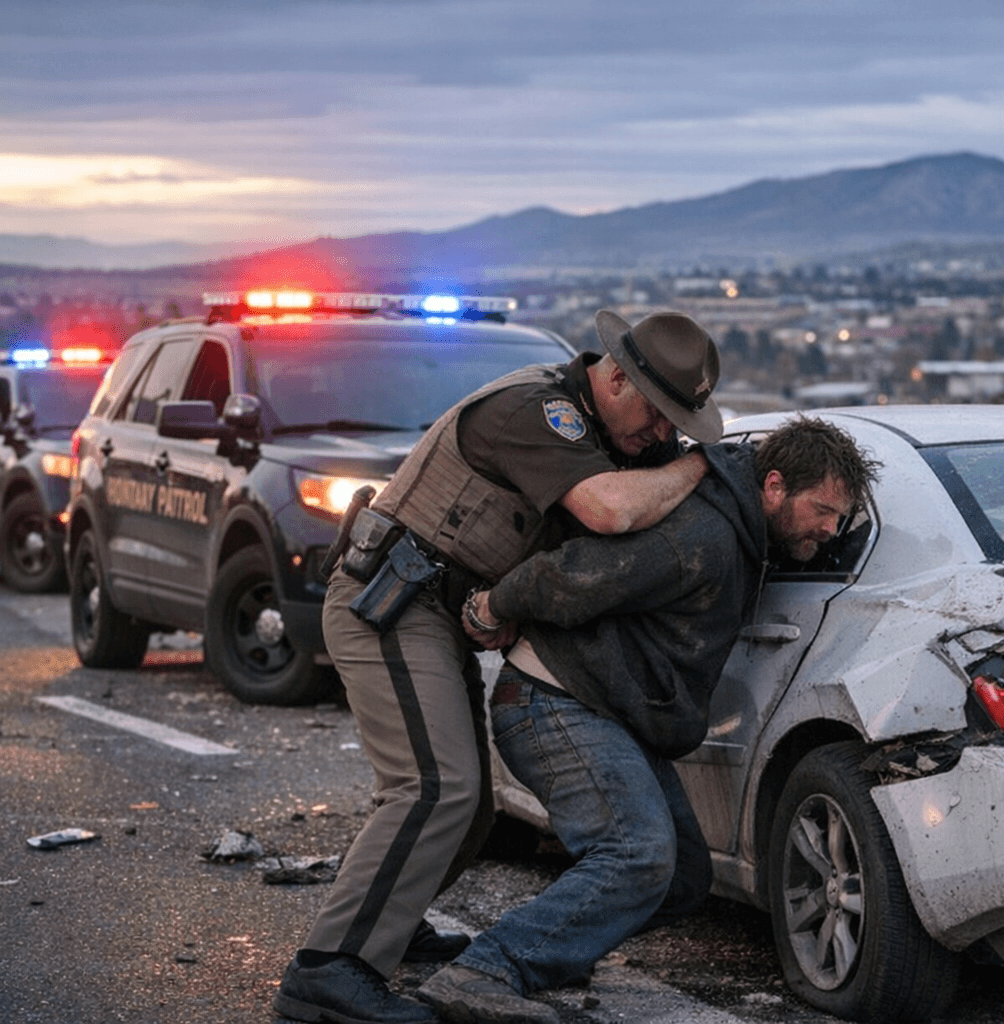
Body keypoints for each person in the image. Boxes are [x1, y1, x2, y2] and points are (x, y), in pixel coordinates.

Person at [274, 309, 727, 1024]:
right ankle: (329, 973)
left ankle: (390, 923)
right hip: (389, 602)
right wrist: (702, 463)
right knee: (436, 788)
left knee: (471, 807)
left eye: (680, 423)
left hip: (432, 612)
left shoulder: (597, 425)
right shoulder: (540, 411)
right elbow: (608, 512)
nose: (664, 434)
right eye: (661, 414)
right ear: (615, 378)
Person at [416, 416, 881, 1024]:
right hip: (552, 701)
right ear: (772, 486)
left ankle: (552, 946)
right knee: (637, 855)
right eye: (822, 510)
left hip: (608, 713)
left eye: (839, 518)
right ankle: (490, 968)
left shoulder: (742, 533)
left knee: (682, 876)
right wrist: (488, 606)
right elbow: (575, 572)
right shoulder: (705, 534)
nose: (830, 528)